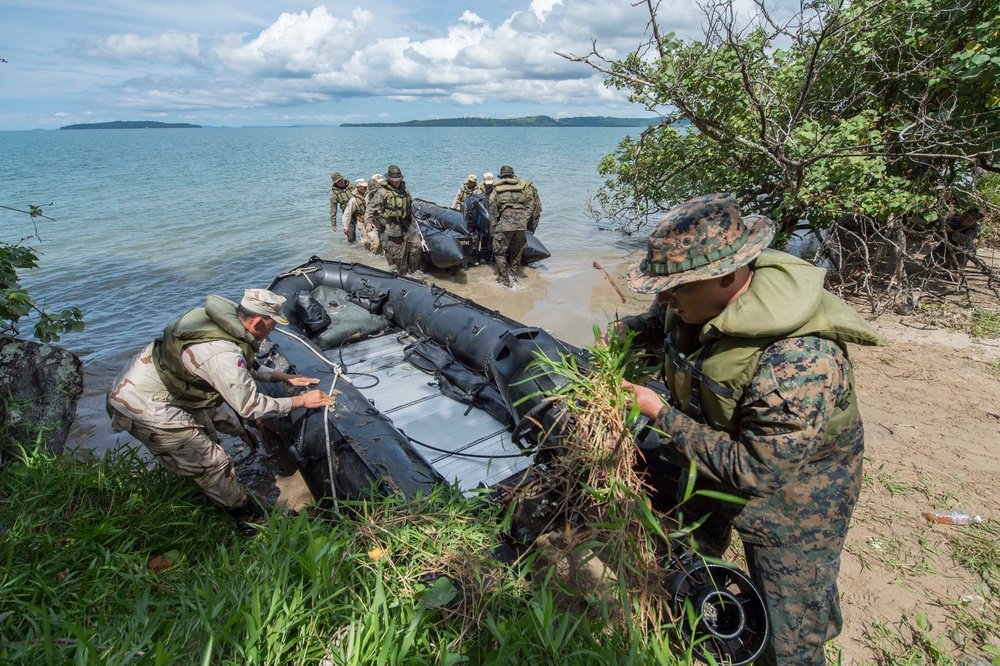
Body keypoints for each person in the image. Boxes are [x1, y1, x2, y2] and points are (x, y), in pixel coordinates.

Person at [603, 194, 882, 665]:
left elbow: (757, 471)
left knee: (790, 626)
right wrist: (622, 334)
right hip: (714, 451)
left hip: (796, 491)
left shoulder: (800, 359)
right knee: (686, 553)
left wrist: (660, 414)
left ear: (728, 277)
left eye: (674, 289)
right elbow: (657, 325)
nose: (664, 298)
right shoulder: (691, 301)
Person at [106, 289, 335, 533]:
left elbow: (243, 369)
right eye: (271, 325)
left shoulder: (227, 325)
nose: (272, 331)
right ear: (257, 321)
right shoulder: (222, 353)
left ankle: (210, 486)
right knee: (212, 462)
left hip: (166, 389)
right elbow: (251, 405)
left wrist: (282, 377)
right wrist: (301, 402)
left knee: (212, 436)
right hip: (143, 404)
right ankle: (249, 519)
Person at [364, 164, 422, 274]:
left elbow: (409, 205)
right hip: (393, 226)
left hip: (407, 223)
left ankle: (413, 272)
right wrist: (368, 222)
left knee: (417, 246)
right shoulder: (383, 192)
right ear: (389, 179)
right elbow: (370, 208)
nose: (397, 182)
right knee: (399, 255)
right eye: (394, 180)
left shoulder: (404, 189)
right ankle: (403, 275)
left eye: (398, 180)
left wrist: (415, 222)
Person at [488, 165, 538, 286]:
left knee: (499, 251)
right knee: (517, 251)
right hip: (521, 225)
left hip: (505, 224)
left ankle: (505, 281)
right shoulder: (521, 189)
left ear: (502, 177)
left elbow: (493, 212)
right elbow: (530, 206)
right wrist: (523, 220)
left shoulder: (497, 191)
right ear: (512, 176)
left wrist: (493, 230)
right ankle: (514, 277)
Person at [925, 206, 984, 271]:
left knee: (969, 246)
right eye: (964, 217)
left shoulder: (975, 228)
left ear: (973, 222)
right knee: (927, 262)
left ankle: (956, 267)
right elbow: (941, 222)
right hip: (947, 247)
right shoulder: (956, 219)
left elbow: (965, 240)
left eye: (969, 220)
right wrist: (939, 224)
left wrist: (952, 232)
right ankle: (946, 264)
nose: (965, 221)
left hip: (961, 251)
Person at [341, 178, 368, 243]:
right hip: (362, 222)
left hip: (372, 221)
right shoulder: (353, 200)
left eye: (365, 187)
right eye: (363, 187)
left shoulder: (369, 194)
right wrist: (346, 227)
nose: (365, 188)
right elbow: (347, 213)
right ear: (358, 188)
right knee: (366, 242)